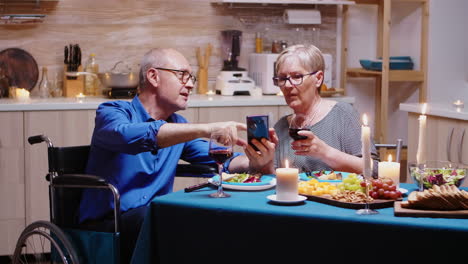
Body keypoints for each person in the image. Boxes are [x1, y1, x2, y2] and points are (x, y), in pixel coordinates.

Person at [78, 48, 273, 263]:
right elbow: (126, 136)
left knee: (198, 215)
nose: (190, 84)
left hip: (154, 220)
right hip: (108, 226)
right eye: (182, 75)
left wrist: (254, 161)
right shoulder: (112, 111)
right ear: (153, 76)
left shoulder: (179, 126)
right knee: (159, 215)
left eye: (191, 77)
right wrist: (207, 128)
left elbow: (223, 160)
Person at [247, 44, 378, 175]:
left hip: (334, 195)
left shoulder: (343, 114)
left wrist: (325, 152)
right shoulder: (282, 126)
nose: (287, 85)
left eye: (297, 76)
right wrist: (263, 164)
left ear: (318, 78)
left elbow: (374, 170)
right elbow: (275, 180)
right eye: (282, 78)